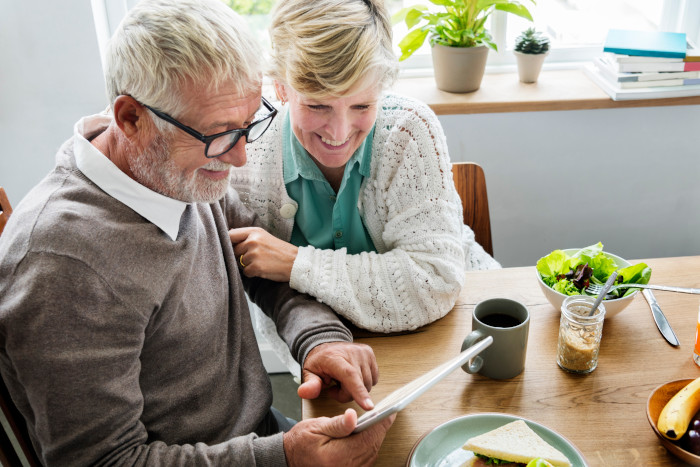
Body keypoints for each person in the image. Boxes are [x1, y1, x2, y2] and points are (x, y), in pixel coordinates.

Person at [0, 0, 393, 465]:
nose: (240, 157)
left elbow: (262, 266)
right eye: (221, 134)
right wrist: (282, 458)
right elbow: (103, 460)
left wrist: (320, 339)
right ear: (130, 119)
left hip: (260, 436)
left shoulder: (172, 168)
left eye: (250, 124)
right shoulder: (60, 266)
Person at [229, 0, 501, 377]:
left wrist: (295, 264)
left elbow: (434, 281)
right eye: (318, 105)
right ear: (281, 87)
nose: (339, 134)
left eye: (361, 105)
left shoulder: (408, 128)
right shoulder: (245, 151)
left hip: (454, 328)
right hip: (326, 347)